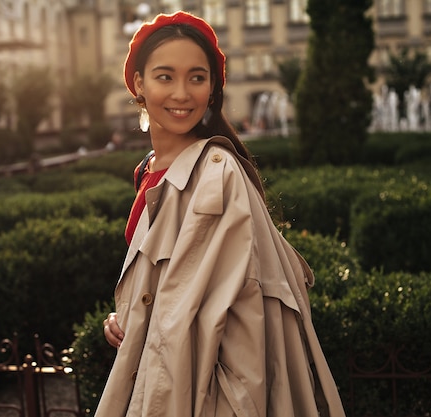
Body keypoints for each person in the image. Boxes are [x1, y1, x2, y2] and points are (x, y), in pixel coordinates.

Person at [96, 11, 346, 417]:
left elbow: (244, 317)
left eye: (197, 77)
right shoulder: (153, 172)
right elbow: (173, 293)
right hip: (170, 379)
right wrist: (127, 315)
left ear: (212, 89)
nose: (182, 93)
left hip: (202, 395)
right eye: (165, 77)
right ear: (138, 84)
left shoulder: (216, 175)